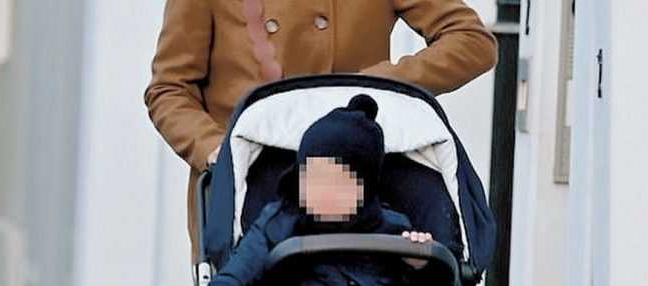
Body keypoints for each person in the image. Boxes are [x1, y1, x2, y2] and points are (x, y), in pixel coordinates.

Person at [144, 0, 498, 260]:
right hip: (249, 192)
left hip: (353, 192)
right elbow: (170, 89)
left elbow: (472, 41)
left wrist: (375, 86)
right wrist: (215, 149)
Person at [192, 95, 436, 286]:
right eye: (311, 179)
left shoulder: (392, 227)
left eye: (336, 182)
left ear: (364, 188)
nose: (321, 191)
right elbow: (245, 263)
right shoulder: (280, 220)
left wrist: (420, 263)